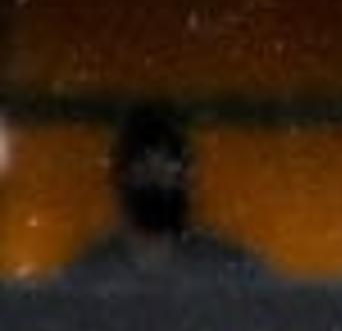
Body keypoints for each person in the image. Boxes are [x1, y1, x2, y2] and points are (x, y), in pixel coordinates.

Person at [67, 109, 271, 283]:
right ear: (122, 178)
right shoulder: (93, 272)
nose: (156, 180)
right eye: (145, 169)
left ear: (186, 178)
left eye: (167, 169)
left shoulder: (226, 266)